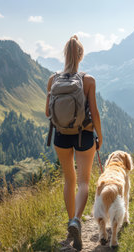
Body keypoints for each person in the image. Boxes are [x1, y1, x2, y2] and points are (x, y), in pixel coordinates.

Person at [45, 35, 102, 251]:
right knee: (84, 182)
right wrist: (100, 135)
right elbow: (94, 112)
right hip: (84, 136)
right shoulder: (88, 80)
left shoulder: (53, 80)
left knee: (69, 180)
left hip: (60, 136)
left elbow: (47, 112)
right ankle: (76, 220)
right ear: (80, 55)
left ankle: (70, 225)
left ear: (64, 54)